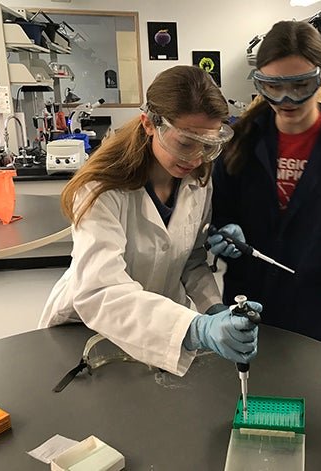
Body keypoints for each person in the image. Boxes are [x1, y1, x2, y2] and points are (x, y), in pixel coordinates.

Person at [39, 65, 261, 376]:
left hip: (163, 326)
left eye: (208, 145)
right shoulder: (102, 188)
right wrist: (197, 328)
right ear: (149, 124)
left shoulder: (198, 178)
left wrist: (215, 310)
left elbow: (193, 261)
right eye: (185, 143)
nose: (197, 158)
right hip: (90, 330)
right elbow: (100, 289)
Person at [207, 20, 321, 350]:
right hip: (246, 304)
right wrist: (221, 231)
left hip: (315, 310)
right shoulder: (240, 142)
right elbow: (216, 213)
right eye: (272, 87)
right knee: (244, 396)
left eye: (299, 85)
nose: (286, 100)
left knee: (314, 397)